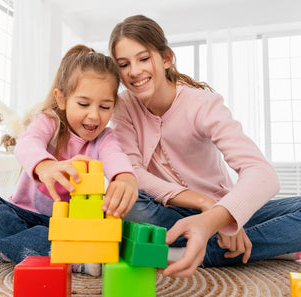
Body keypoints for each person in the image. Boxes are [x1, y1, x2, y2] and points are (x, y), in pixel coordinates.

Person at [108, 15, 301, 278]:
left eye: (143, 59)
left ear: (166, 58)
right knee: (127, 200)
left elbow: (262, 173)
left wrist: (219, 217)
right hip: (165, 212)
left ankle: (193, 251)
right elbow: (134, 173)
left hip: (221, 211)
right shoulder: (123, 107)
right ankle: (262, 246)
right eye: (124, 64)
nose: (134, 71)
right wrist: (203, 203)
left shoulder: (203, 104)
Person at [0, 44, 138, 277]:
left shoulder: (105, 138)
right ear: (62, 98)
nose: (94, 115)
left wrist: (125, 178)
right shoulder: (50, 122)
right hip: (26, 217)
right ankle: (73, 259)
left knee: (119, 238)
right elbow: (27, 142)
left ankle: (13, 249)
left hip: (70, 227)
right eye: (84, 104)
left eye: (105, 106)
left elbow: (116, 156)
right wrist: (45, 165)